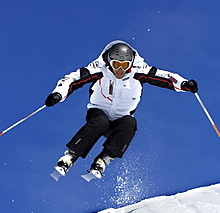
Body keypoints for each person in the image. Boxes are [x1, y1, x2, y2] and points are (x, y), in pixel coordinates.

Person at [45, 40, 198, 179]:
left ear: (130, 64)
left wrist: (184, 84)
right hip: (99, 111)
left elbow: (165, 76)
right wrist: (58, 94)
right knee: (100, 122)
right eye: (116, 64)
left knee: (130, 123)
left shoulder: (139, 71)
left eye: (124, 65)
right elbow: (72, 79)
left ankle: (104, 158)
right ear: (109, 62)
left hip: (121, 117)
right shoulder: (99, 68)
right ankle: (71, 155)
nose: (119, 69)